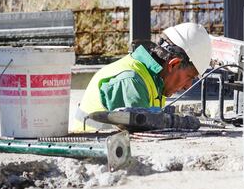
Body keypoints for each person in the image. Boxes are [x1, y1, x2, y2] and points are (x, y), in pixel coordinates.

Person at [71, 22, 212, 132]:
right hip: (96, 157)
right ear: (173, 64)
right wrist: (182, 123)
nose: (188, 86)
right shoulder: (131, 81)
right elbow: (142, 133)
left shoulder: (156, 80)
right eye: (190, 76)